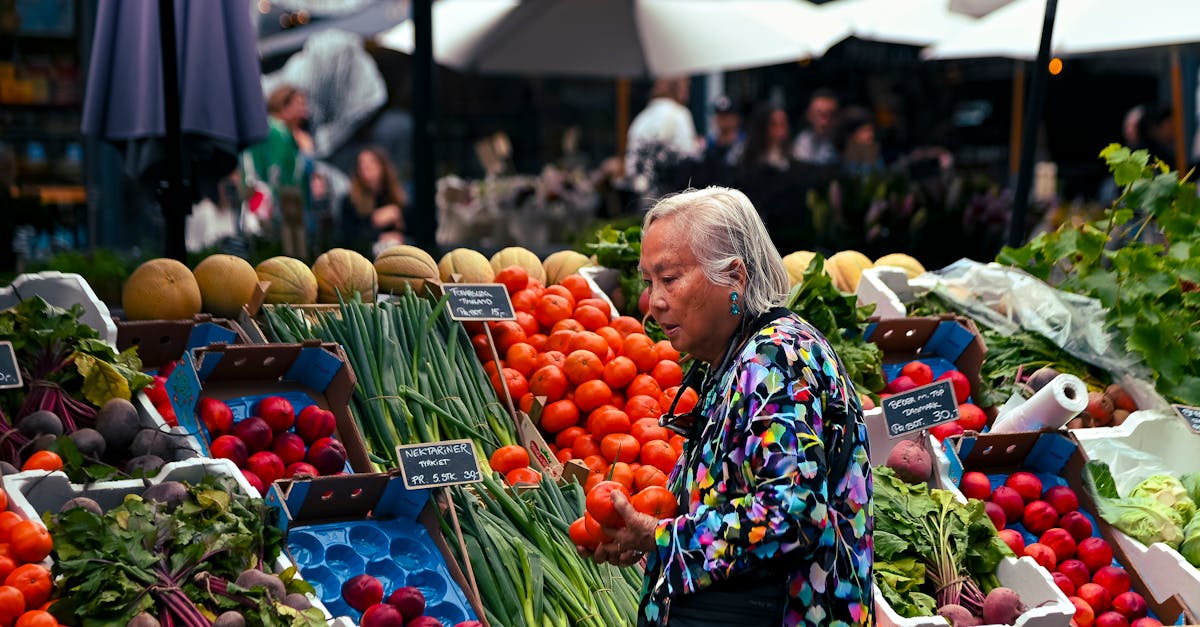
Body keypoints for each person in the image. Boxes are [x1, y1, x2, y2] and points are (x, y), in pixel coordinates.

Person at [579, 187, 874, 627]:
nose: (654, 301)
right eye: (648, 281)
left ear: (735, 276)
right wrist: (646, 537)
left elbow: (791, 513)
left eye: (670, 278)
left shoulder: (777, 361)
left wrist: (660, 537)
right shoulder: (737, 357)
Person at [242, 84, 312, 257]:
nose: (304, 109)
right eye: (299, 103)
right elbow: (276, 170)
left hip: (272, 196)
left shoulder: (278, 130)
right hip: (275, 198)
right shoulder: (277, 131)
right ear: (283, 105)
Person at [624, 77, 700, 204]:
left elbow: (630, 165)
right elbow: (689, 159)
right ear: (678, 87)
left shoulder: (641, 119)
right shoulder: (680, 114)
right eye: (686, 86)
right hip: (672, 199)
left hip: (641, 197)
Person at [340, 147, 406, 255]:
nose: (365, 166)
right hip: (365, 256)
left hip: (398, 252)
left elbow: (413, 232)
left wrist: (398, 217)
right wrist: (376, 227)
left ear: (382, 166)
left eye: (371, 162)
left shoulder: (394, 197)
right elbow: (350, 237)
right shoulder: (350, 201)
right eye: (361, 163)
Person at [694, 95, 744, 187]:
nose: (722, 119)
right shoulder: (708, 145)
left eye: (727, 115)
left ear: (736, 118)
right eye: (719, 115)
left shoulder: (744, 146)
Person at [792, 88, 840, 166]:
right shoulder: (801, 144)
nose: (824, 122)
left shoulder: (844, 143)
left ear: (837, 117)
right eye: (819, 114)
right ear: (809, 115)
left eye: (830, 115)